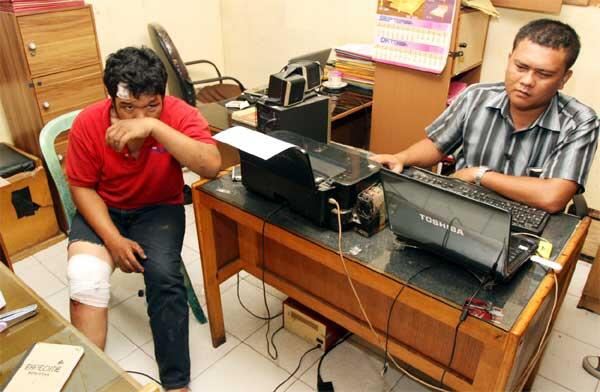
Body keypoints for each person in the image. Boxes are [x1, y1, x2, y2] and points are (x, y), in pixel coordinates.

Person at [65, 46, 221, 392]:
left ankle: (176, 383)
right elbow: (81, 187)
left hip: (158, 208)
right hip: (103, 208)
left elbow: (210, 164)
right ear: (111, 100)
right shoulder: (89, 123)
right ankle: (88, 379)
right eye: (128, 107)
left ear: (163, 96)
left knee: (165, 277)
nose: (138, 115)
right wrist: (114, 240)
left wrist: (154, 127)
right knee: (84, 277)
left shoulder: (176, 114)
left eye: (151, 105)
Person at [372, 19, 599, 213]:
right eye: (521, 67)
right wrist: (402, 157)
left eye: (544, 74)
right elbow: (436, 145)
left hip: (525, 218)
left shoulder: (580, 121)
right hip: (462, 205)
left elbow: (553, 197)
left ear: (564, 79)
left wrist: (479, 175)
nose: (528, 81)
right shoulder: (476, 96)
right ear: (509, 59)